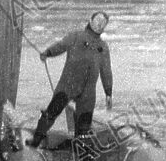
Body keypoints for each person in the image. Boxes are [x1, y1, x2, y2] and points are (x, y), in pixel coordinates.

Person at [31, 11, 113, 148]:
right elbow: (60, 45)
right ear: (91, 20)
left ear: (104, 27)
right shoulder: (76, 36)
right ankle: (34, 143)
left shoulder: (103, 47)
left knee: (84, 128)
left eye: (103, 22)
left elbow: (106, 71)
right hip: (68, 85)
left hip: (88, 92)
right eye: (98, 20)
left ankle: (81, 155)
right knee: (51, 112)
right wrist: (48, 53)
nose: (100, 24)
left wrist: (108, 92)